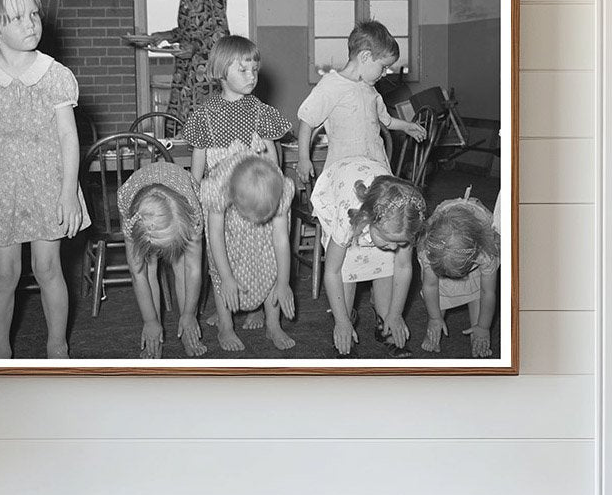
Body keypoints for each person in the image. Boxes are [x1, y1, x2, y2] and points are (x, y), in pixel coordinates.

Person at [0, 0, 89, 359]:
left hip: (47, 185)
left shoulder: (54, 75)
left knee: (48, 269)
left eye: (34, 14)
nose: (30, 24)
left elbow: (68, 137)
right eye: (17, 18)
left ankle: (57, 345)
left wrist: (69, 193)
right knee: (4, 274)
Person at [311, 157, 426, 357]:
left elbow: (403, 267)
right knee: (346, 264)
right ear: (369, 219)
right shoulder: (349, 218)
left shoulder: (405, 221)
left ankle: (385, 319)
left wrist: (396, 313)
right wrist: (341, 321)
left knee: (387, 259)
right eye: (389, 240)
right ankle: (345, 320)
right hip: (334, 188)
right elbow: (332, 271)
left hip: (374, 188)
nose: (394, 247)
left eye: (400, 243)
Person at [295, 20, 426, 183]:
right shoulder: (331, 85)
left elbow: (386, 121)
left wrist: (406, 126)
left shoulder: (371, 89)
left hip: (375, 166)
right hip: (344, 169)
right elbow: (307, 120)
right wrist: (303, 159)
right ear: (365, 56)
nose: (384, 74)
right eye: (383, 67)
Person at [201, 150, 296, 353]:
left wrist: (283, 282)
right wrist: (226, 278)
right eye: (252, 217)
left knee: (271, 265)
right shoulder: (219, 187)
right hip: (228, 232)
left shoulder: (276, 187)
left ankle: (273, 325)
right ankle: (225, 326)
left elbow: (281, 240)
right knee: (223, 272)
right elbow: (215, 237)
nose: (256, 222)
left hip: (265, 236)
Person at [117, 161, 207, 359]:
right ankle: (154, 335)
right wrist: (150, 321)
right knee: (148, 267)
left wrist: (189, 313)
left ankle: (187, 329)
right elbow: (138, 274)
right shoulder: (130, 213)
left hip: (182, 189)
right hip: (137, 193)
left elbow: (193, 270)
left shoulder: (192, 214)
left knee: (181, 265)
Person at [181, 35, 292, 182]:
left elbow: (271, 155)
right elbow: (199, 154)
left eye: (254, 70)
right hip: (217, 188)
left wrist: (274, 183)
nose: (252, 76)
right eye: (243, 70)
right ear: (220, 72)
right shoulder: (204, 114)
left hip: (253, 188)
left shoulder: (261, 111)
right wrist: (194, 187)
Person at [126, 0, 229, 117]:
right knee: (179, 115)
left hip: (204, 67)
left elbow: (220, 31)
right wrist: (163, 36)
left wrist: (195, 47)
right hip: (184, 66)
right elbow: (187, 30)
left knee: (198, 117)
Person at [418, 191, 500, 358]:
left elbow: (488, 293)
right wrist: (434, 318)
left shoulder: (486, 253)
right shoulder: (428, 250)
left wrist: (483, 327)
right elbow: (430, 286)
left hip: (479, 228)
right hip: (446, 226)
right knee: (439, 293)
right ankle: (434, 328)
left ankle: (478, 333)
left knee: (478, 291)